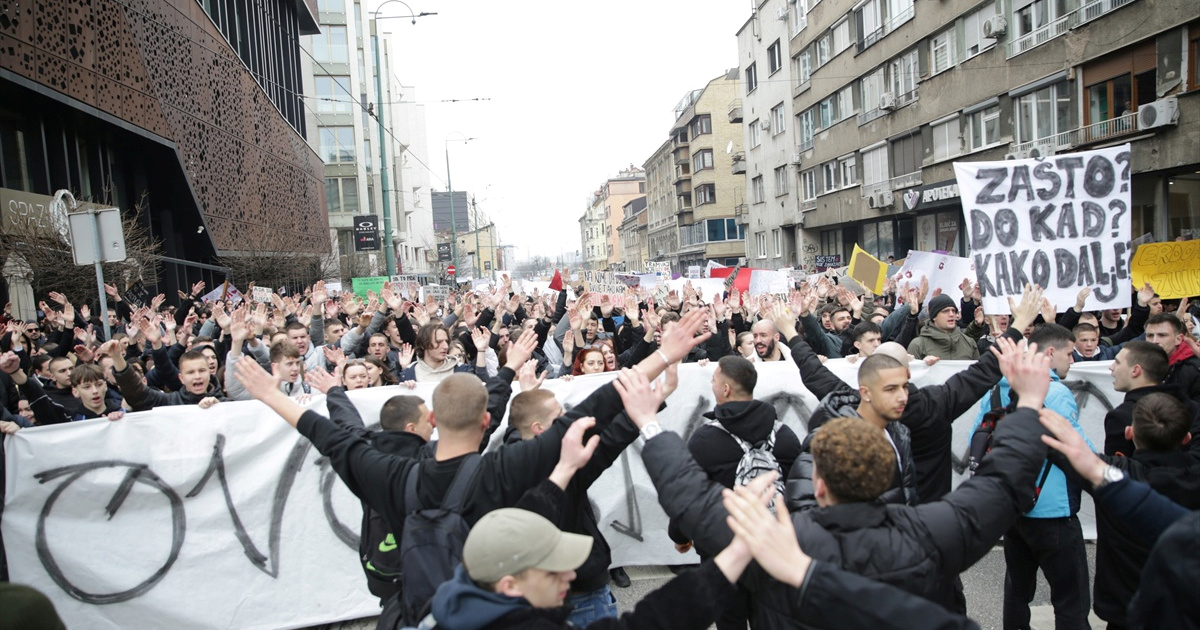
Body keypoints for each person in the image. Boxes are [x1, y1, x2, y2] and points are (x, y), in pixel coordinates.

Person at [232, 309, 713, 619]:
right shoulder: (500, 471)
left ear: (434, 418)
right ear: (487, 420)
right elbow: (593, 409)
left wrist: (276, 398)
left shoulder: (390, 474)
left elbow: (334, 438)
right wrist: (663, 356)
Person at [630, 338, 1059, 625]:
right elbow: (1001, 482)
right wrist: (1031, 401)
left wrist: (648, 423)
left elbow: (691, 497)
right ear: (892, 472)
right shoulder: (934, 532)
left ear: (817, 483)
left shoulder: (779, 544)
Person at [970, 323, 1093, 630]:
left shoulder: (996, 390)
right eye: (1069, 352)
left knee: (1017, 591)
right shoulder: (1057, 393)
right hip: (1054, 511)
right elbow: (1079, 450)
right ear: (1050, 353)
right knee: (1070, 599)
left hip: (1012, 507)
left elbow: (977, 436)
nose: (1073, 360)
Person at [1045, 392, 1200, 629]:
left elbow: (1056, 449)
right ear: (1187, 437)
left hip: (1122, 612)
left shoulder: (1113, 474)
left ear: (1129, 433)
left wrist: (1028, 399)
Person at [676, 355, 801, 630]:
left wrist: (680, 536)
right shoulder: (785, 436)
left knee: (729, 619)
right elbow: (802, 493)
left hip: (722, 552)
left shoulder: (704, 440)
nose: (712, 384)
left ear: (725, 389)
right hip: (772, 547)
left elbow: (688, 496)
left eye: (714, 379)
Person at [1104, 341, 1197, 456]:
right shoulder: (1192, 408)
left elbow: (1117, 470)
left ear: (1135, 370)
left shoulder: (1121, 417)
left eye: (1117, 362)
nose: (1111, 367)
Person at [1144, 313, 1200, 406]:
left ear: (1178, 339)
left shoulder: (1194, 369)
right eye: (1150, 335)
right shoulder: (1143, 365)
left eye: (1162, 335)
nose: (1155, 341)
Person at [907, 294, 980, 360]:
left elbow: (978, 372)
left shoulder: (969, 343)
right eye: (945, 311)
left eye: (953, 311)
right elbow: (911, 373)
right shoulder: (918, 345)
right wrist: (924, 365)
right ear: (934, 317)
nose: (951, 314)